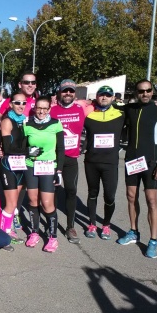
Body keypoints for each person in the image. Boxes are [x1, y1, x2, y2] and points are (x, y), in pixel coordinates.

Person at [117, 79, 157, 259]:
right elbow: (104, 104)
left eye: (148, 90)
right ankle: (133, 231)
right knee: (131, 197)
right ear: (135, 93)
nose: (145, 94)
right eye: (141, 91)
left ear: (153, 91)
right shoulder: (129, 109)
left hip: (150, 162)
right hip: (132, 160)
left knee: (151, 200)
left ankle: (153, 240)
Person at [50, 79, 91, 244]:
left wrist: (86, 145)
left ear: (75, 93)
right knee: (51, 191)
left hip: (72, 158)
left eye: (71, 91)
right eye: (65, 91)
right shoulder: (52, 110)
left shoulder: (82, 109)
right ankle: (50, 224)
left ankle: (70, 226)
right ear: (59, 92)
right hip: (53, 158)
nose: (68, 94)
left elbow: (103, 109)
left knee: (71, 190)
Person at [83, 86, 125, 240]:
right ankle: (92, 224)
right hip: (92, 162)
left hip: (110, 163)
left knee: (110, 196)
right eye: (101, 95)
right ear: (97, 97)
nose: (104, 98)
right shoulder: (89, 114)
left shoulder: (121, 114)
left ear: (113, 98)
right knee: (92, 193)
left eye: (108, 95)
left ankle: (106, 224)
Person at [23, 96, 64, 252]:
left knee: (47, 203)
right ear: (34, 108)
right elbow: (22, 146)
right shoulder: (27, 123)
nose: (41, 111)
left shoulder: (55, 124)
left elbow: (61, 149)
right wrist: (28, 151)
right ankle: (34, 233)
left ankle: (53, 237)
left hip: (48, 167)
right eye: (38, 108)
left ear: (49, 109)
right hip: (31, 166)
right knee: (33, 201)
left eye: (44, 108)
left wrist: (59, 170)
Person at [0, 92, 39, 244]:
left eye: (23, 103)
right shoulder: (7, 121)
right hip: (8, 165)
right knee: (10, 203)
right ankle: (4, 232)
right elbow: (8, 148)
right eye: (17, 103)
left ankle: (8, 228)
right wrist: (28, 151)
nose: (21, 106)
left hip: (21, 165)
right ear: (10, 104)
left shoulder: (25, 121)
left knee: (15, 203)